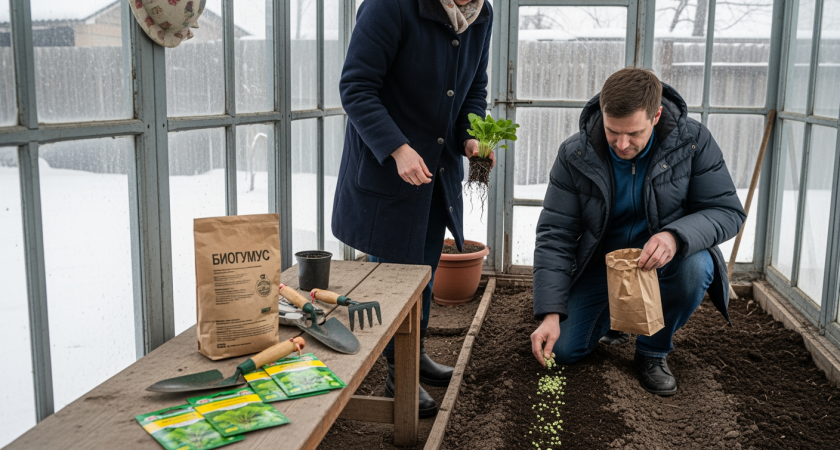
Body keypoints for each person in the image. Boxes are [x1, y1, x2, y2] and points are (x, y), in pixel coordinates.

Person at [529, 67, 746, 396]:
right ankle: (616, 319)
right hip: (602, 267)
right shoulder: (575, 153)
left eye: (634, 133)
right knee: (562, 351)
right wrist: (549, 313)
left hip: (661, 266)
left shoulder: (692, 142)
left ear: (656, 116)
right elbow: (554, 235)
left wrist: (675, 236)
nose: (621, 143)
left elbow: (727, 211)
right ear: (602, 113)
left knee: (697, 266)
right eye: (612, 131)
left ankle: (652, 352)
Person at [332, 0, 493, 417]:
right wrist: (397, 148)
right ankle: (396, 372)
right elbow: (356, 87)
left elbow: (474, 88)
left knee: (423, 271)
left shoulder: (481, 14)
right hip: (389, 172)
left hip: (434, 174)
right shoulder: (389, 6)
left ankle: (413, 355)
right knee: (393, 277)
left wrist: (471, 138)